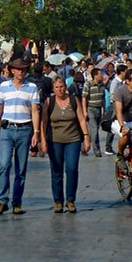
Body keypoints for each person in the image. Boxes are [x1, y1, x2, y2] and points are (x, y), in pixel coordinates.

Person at [0, 58, 41, 215]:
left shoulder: (32, 87)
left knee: (21, 169)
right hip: (7, 129)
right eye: (18, 69)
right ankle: (2, 200)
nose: (21, 71)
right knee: (4, 165)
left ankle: (17, 202)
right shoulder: (4, 86)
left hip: (24, 129)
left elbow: (35, 110)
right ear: (11, 70)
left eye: (23, 69)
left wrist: (36, 132)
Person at [40, 75, 90, 213]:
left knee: (72, 169)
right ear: (53, 89)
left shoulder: (74, 100)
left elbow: (81, 119)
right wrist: (42, 140)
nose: (59, 90)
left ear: (65, 87)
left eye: (61, 87)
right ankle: (58, 201)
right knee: (56, 171)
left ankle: (70, 200)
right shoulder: (50, 102)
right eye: (57, 87)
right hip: (54, 141)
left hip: (72, 140)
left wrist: (86, 137)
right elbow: (43, 123)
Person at [80, 68, 107, 159]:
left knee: (94, 131)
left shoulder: (102, 85)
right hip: (91, 109)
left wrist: (104, 109)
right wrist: (84, 111)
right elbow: (84, 98)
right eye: (100, 74)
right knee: (94, 131)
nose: (102, 76)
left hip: (99, 109)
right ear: (95, 75)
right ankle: (97, 150)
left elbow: (103, 98)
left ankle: (84, 146)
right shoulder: (88, 85)